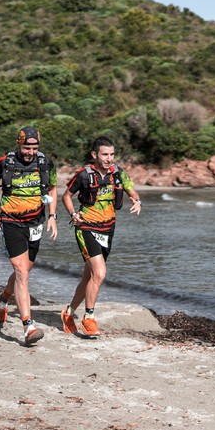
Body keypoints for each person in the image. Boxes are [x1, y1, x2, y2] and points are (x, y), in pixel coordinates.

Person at [61, 136, 141, 339]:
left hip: (108, 229)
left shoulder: (118, 173)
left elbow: (133, 192)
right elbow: (66, 196)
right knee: (99, 274)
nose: (109, 158)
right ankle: (89, 318)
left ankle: (68, 313)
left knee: (89, 277)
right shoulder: (83, 175)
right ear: (94, 155)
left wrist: (136, 200)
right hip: (86, 227)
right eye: (105, 154)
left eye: (112, 154)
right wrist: (73, 215)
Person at [0, 126, 58, 346]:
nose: (30, 152)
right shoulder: (4, 162)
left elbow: (53, 188)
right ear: (19, 144)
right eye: (27, 147)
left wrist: (53, 215)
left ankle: (3, 299)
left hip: (36, 221)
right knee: (21, 271)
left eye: (34, 147)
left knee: (25, 270)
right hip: (11, 220)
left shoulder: (45, 163)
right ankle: (28, 326)